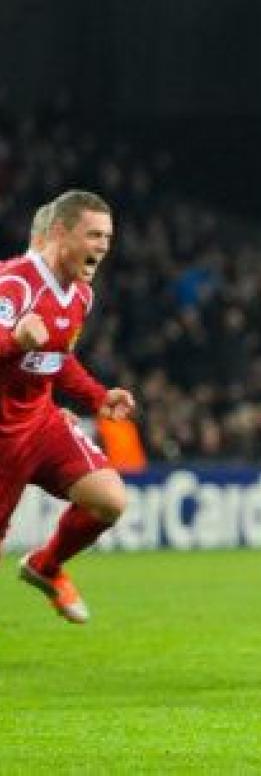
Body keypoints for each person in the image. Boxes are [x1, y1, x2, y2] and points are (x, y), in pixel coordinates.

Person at [0, 190, 135, 623]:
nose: (103, 247)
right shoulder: (13, 284)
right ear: (61, 233)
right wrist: (14, 341)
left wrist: (98, 396)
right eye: (94, 235)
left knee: (109, 500)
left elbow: (58, 359)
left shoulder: (80, 296)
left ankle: (46, 565)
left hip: (40, 423)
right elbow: (16, 344)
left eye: (108, 237)